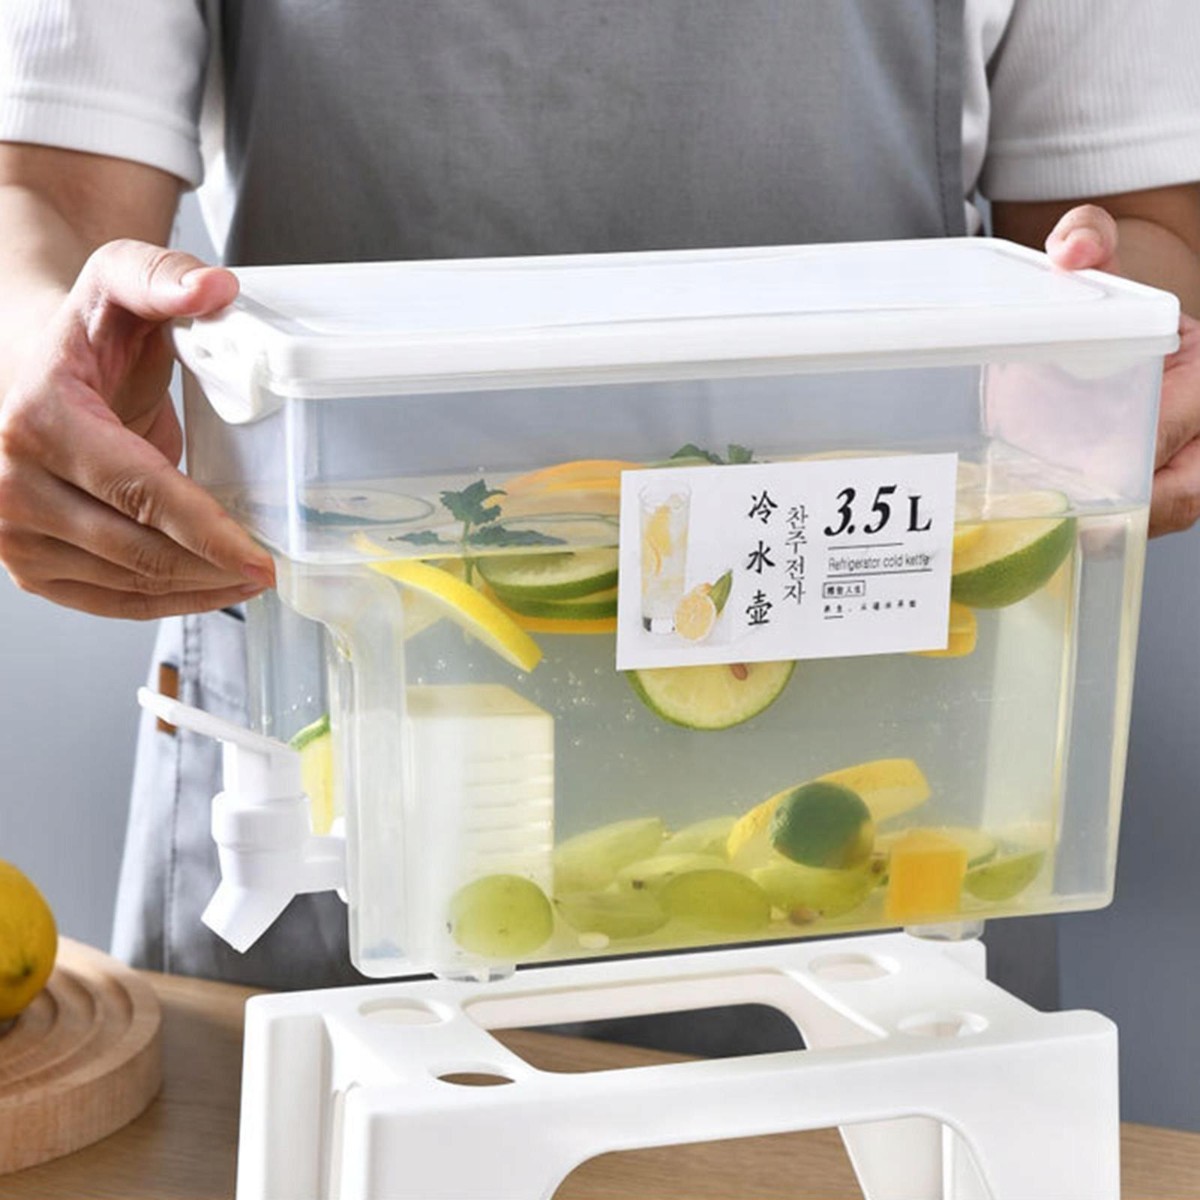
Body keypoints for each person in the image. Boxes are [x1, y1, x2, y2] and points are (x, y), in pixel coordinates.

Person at [1, 1, 1199, 996]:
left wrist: (1122, 368)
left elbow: (1133, 224)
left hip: (904, 761)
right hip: (347, 727)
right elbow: (47, 191)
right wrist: (35, 367)